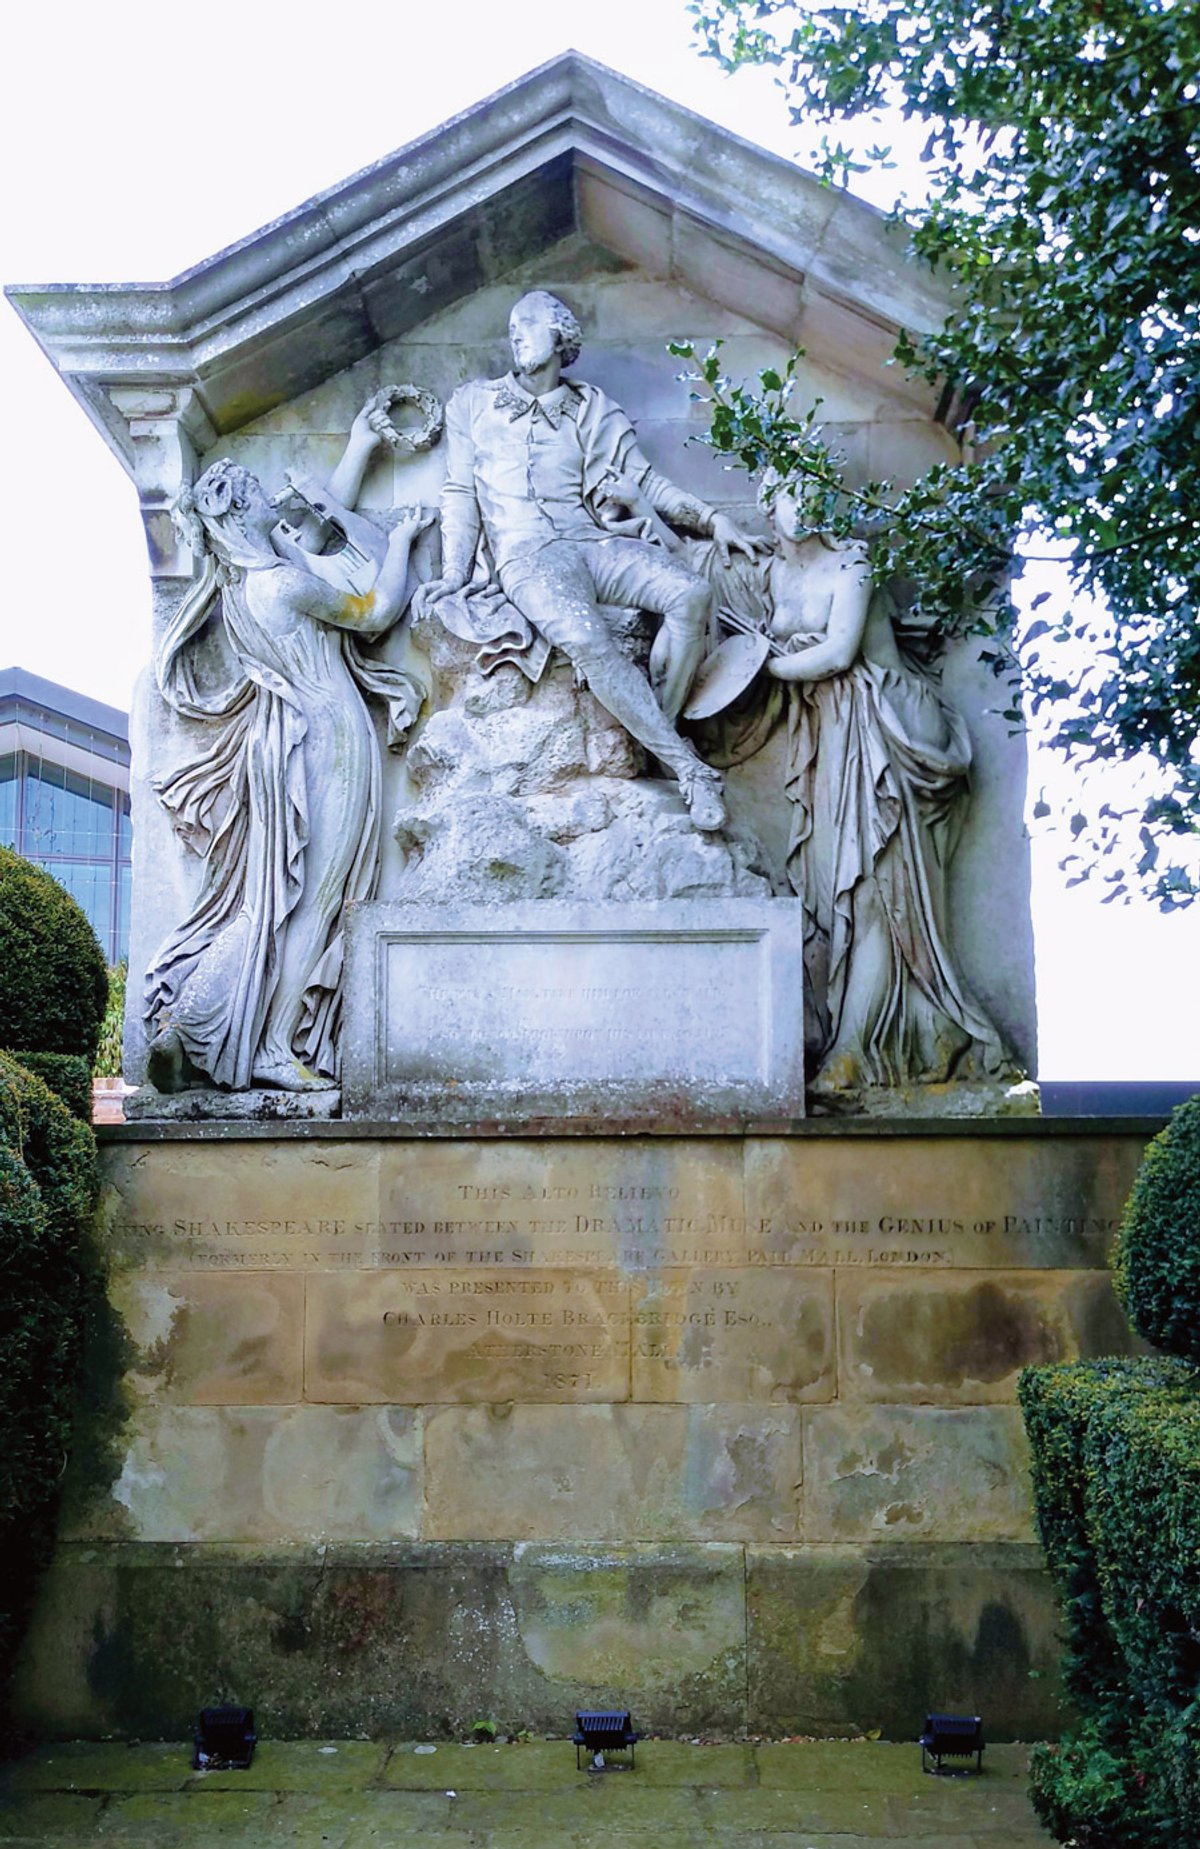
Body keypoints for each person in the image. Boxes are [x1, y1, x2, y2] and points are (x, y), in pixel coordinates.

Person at [695, 480, 1016, 1098]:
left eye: (814, 490)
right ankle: (903, 1035)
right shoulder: (773, 574)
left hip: (885, 726)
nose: (805, 505)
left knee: (875, 889)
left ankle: (852, 1052)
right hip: (834, 736)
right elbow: (709, 573)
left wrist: (764, 667)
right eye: (791, 493)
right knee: (842, 892)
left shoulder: (854, 564)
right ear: (768, 506)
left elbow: (838, 654)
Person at [144, 411, 428, 1093]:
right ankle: (271, 1046)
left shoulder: (243, 586)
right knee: (313, 901)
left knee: (268, 900)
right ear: (244, 512)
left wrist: (360, 442)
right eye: (257, 491)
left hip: (283, 747)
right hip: (330, 740)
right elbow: (375, 612)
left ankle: (190, 1021)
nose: (274, 497)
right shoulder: (284, 584)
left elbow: (319, 519)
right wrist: (403, 541)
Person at [412, 290, 768, 831]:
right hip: (527, 553)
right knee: (585, 637)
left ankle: (656, 730)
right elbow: (459, 492)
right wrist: (454, 574)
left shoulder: (593, 407)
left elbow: (645, 481)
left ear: (560, 336)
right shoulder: (473, 404)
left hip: (591, 542)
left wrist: (713, 519)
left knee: (691, 594)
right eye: (512, 326)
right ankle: (689, 770)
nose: (516, 333)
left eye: (528, 323)